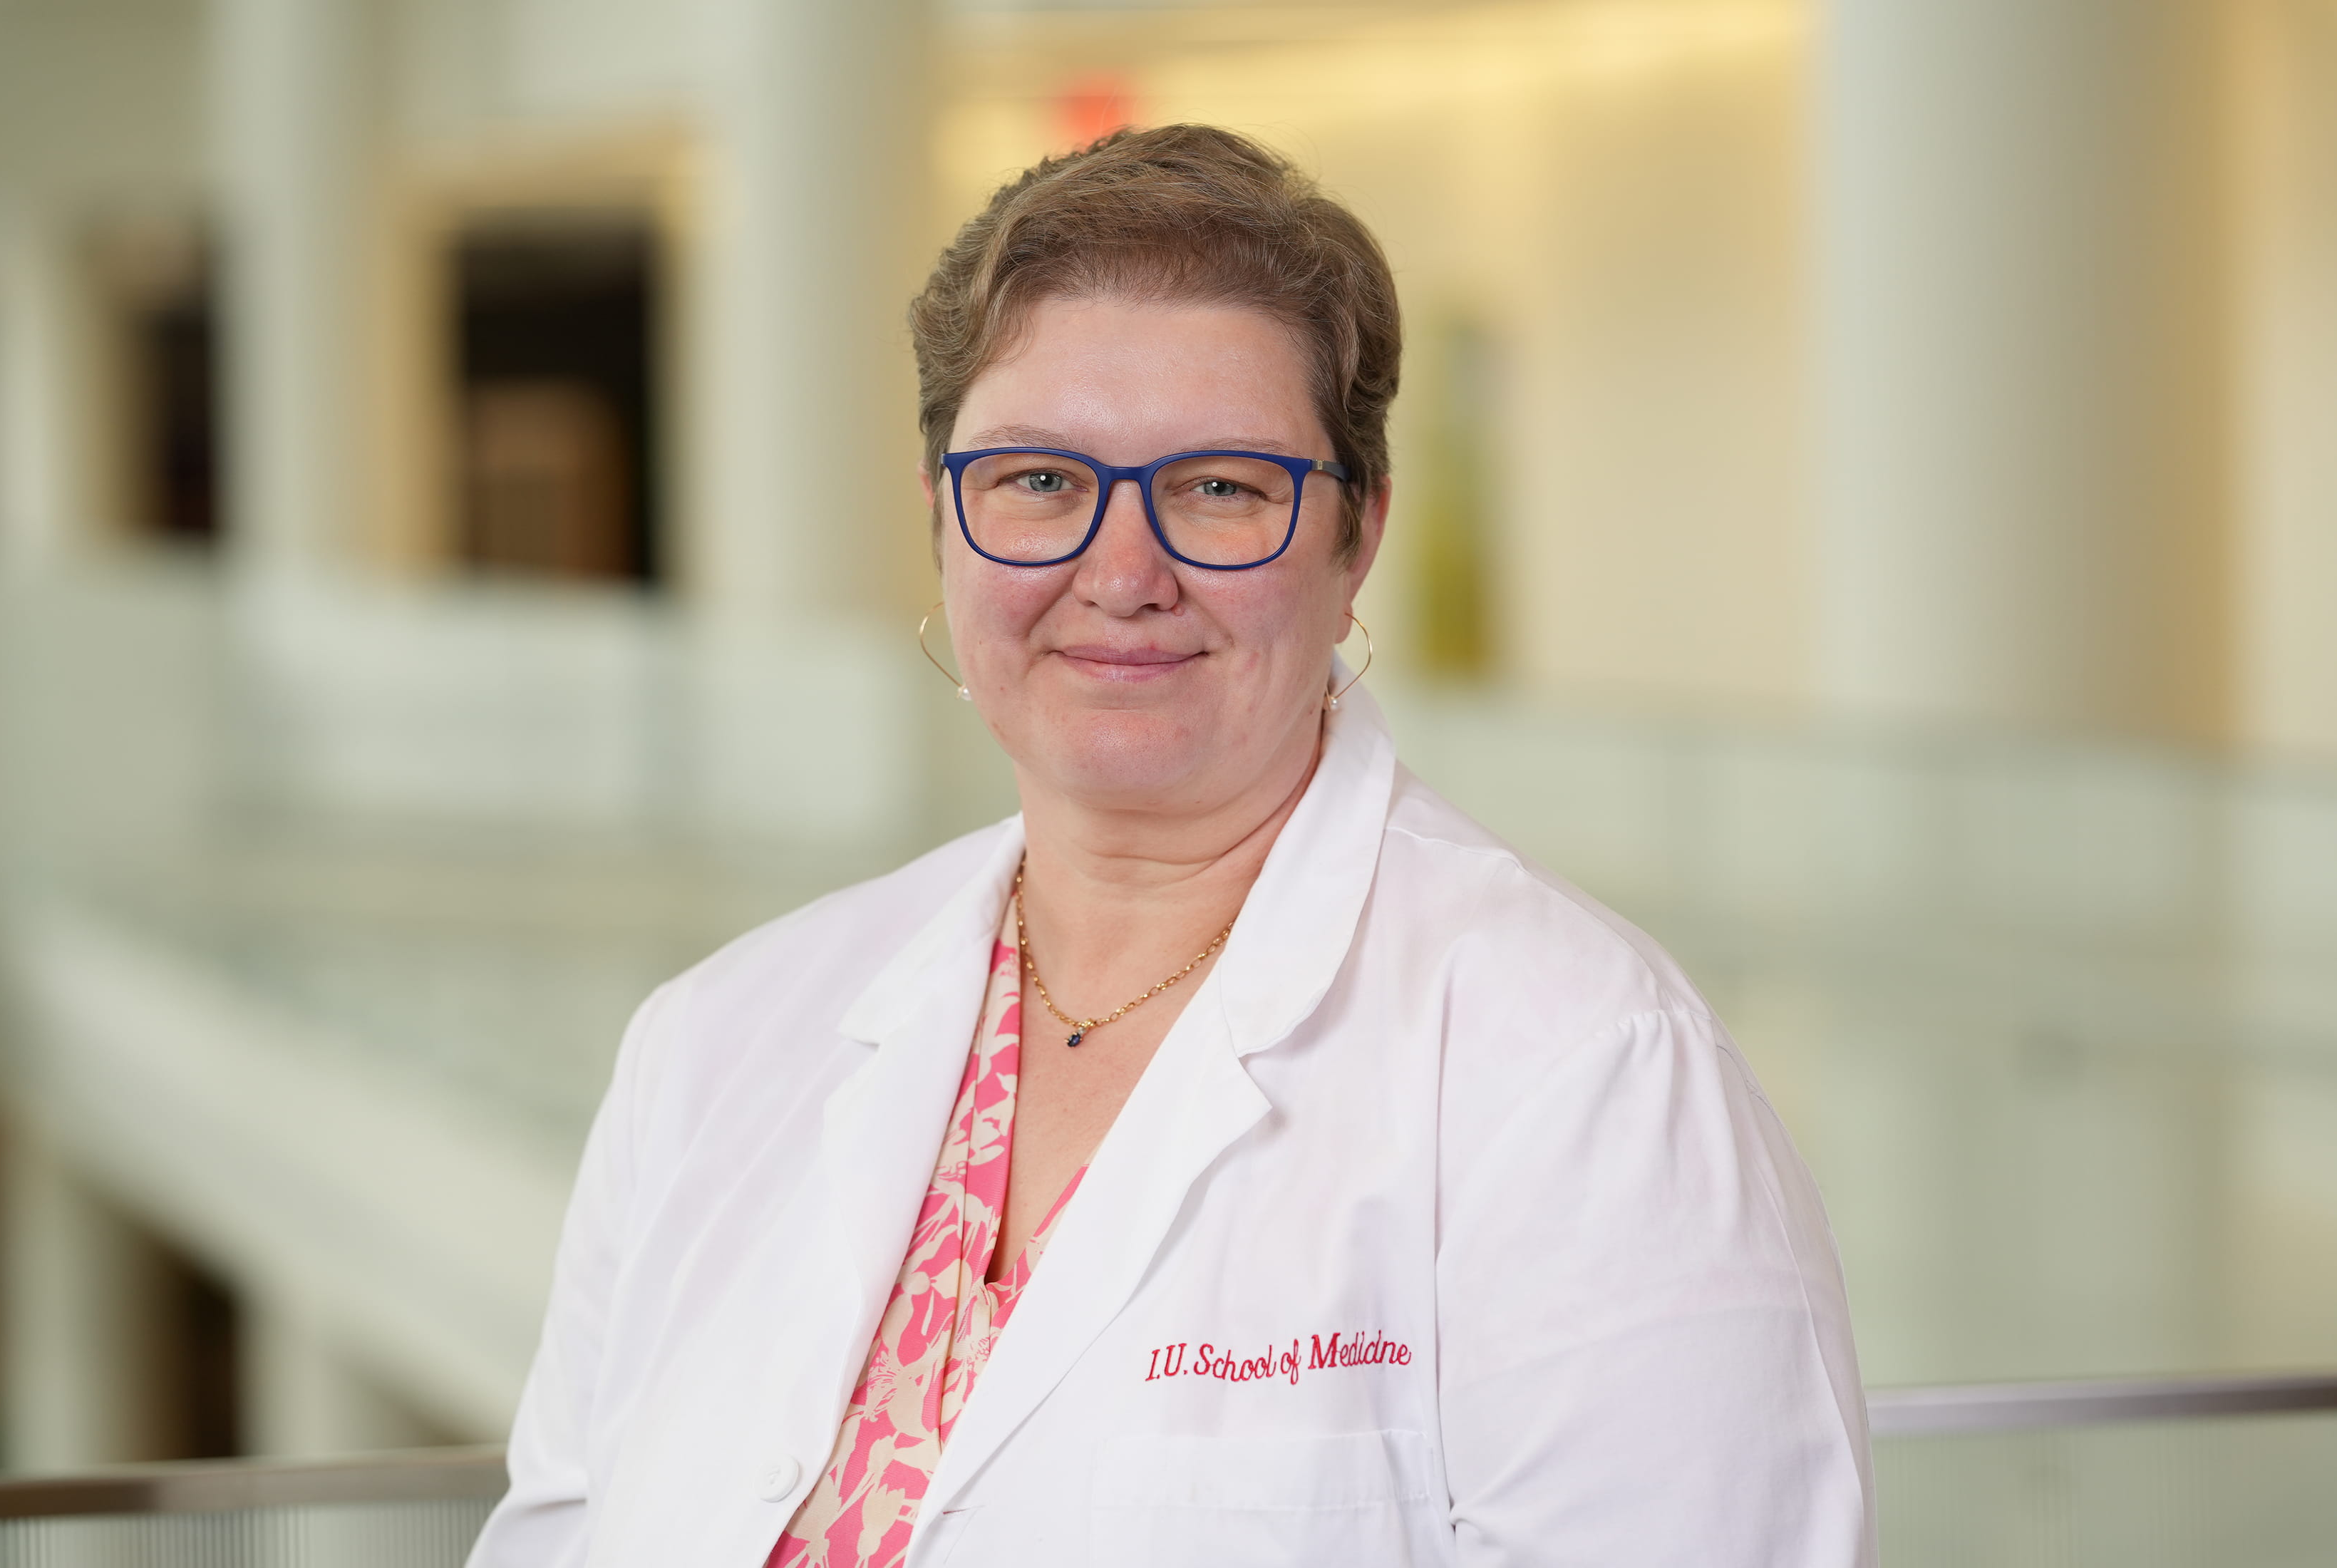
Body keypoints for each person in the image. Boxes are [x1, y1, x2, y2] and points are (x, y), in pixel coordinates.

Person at [469, 124, 1872, 1568]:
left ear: (1356, 538)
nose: (1123, 572)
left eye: (1219, 486)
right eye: (1037, 481)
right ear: (943, 521)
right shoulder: (711, 1044)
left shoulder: (1584, 1072)